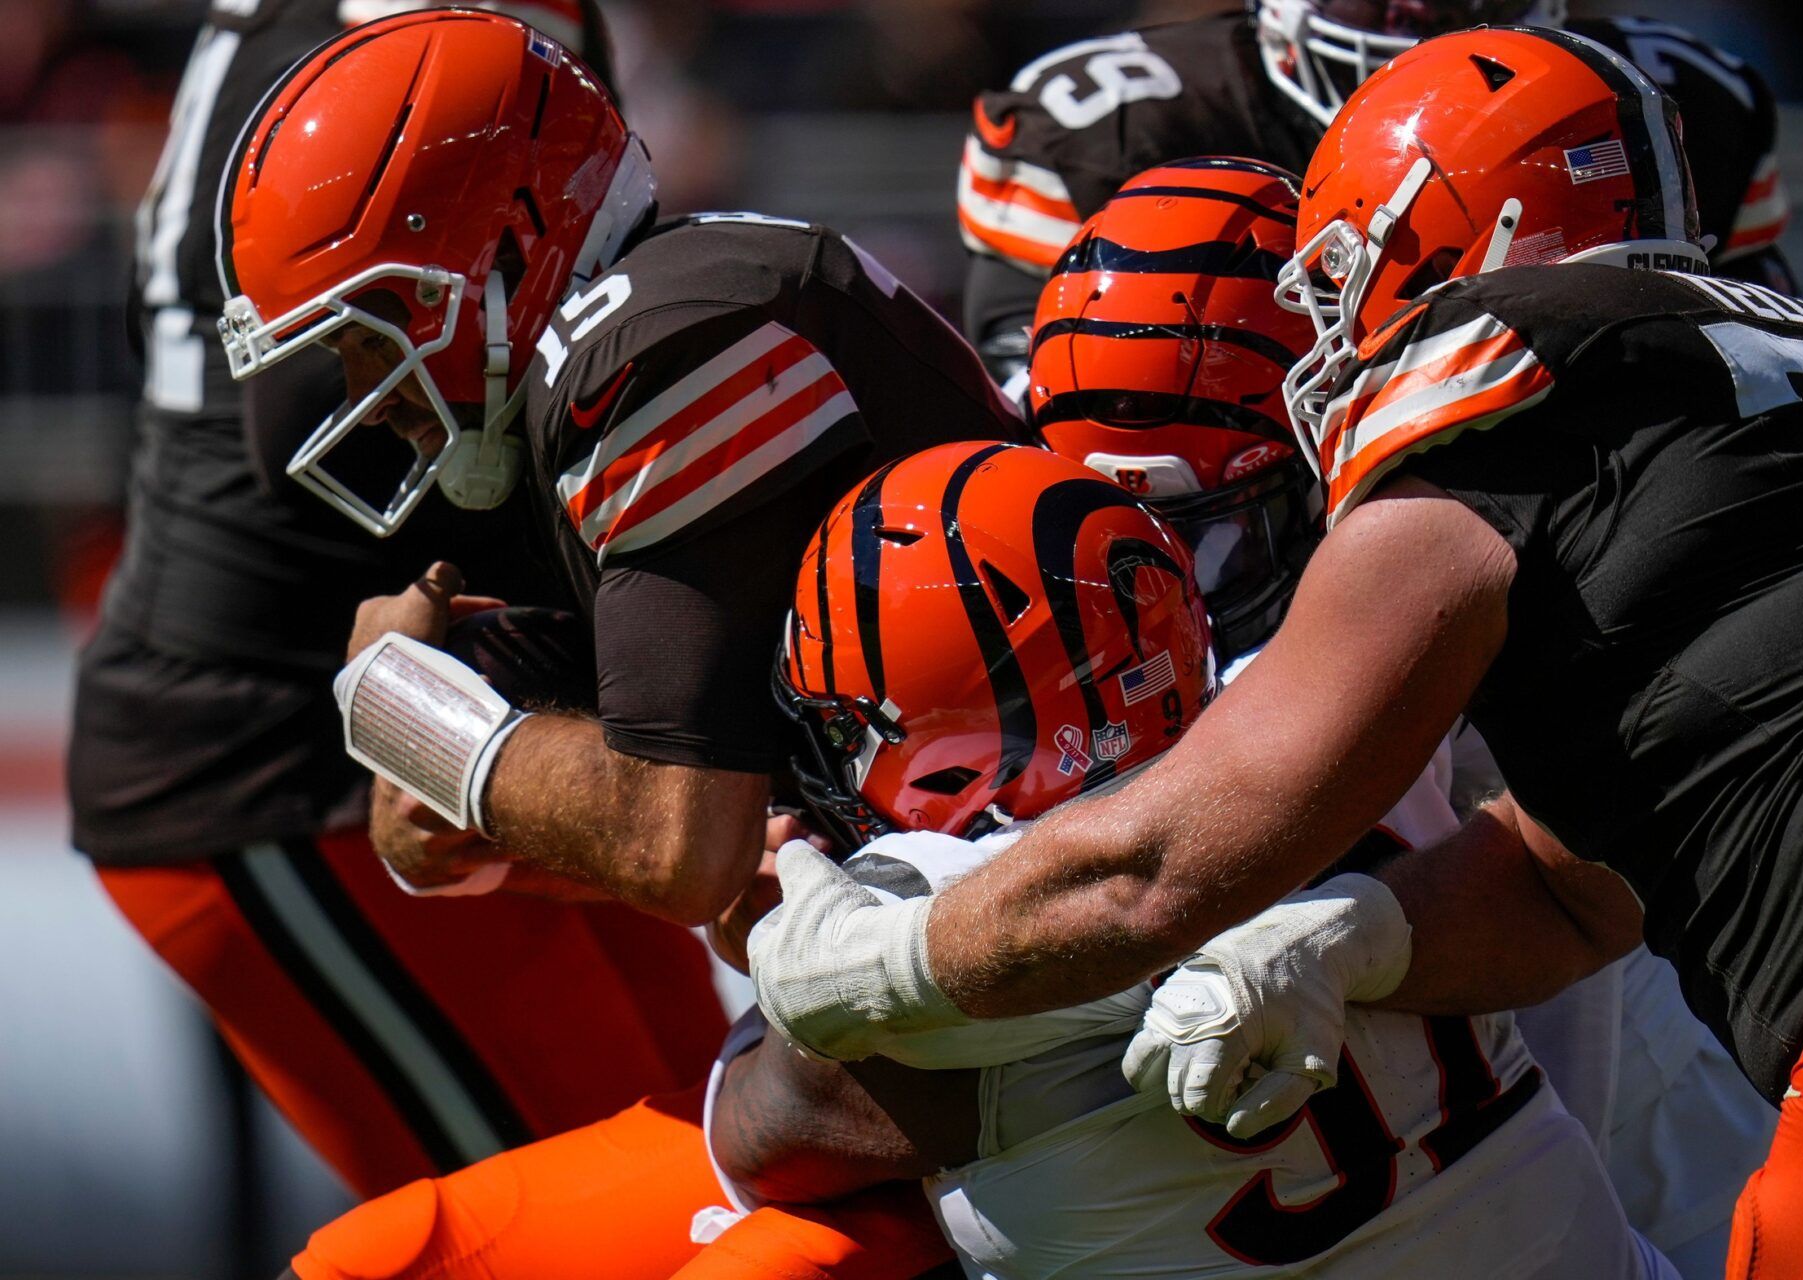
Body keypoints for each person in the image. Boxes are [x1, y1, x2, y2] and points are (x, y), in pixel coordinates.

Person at [749, 28, 1803, 1280]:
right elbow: (1576, 888)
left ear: (1461, 242)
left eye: (1344, 271)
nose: (1329, 332)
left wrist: (870, 960)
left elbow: (1159, 864)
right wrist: (1363, 932)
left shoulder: (1499, 383)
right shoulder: (1802, 361)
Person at [290, 440, 1671, 1279]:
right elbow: (1578, 877)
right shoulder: (1321, 744)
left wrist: (393, 702)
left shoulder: (952, 915)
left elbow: (776, 1124)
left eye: (843, 724)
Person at [1027, 154, 1777, 1277]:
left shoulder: (1485, 553)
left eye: (1215, 532)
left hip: (1631, 1057)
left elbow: (1553, 957)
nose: (1176, 593)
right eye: (1123, 551)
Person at [70, 0, 726, 1202]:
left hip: (456, 694)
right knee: (585, 1222)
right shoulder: (393, 30)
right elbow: (317, 408)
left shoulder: (288, 29)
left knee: (720, 1172)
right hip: (288, 749)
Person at [215, 9, 1024, 931]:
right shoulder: (631, 329)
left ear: (507, 251)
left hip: (1050, 834)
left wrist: (406, 710)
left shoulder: (657, 351)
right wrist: (484, 799)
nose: (368, 393)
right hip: (986, 840)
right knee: (496, 667)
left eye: (370, 335)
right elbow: (730, 857)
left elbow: (678, 853)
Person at [957, 0, 1794, 388]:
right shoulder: (1110, 128)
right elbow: (1057, 426)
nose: (1419, 8)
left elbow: (1755, 371)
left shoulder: (1667, 102)